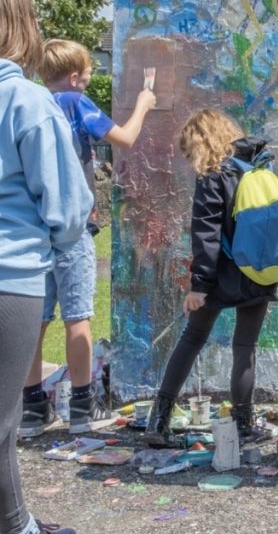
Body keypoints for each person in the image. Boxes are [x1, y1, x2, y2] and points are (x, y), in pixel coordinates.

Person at [20, 39, 156, 438]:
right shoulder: (75, 103)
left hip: (35, 226)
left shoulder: (36, 103)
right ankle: (83, 405)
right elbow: (125, 138)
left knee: (38, 320)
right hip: (72, 228)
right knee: (78, 316)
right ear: (76, 78)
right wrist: (144, 103)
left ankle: (31, 409)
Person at [1, 0, 93, 534]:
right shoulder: (28, 101)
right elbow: (67, 207)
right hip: (10, 278)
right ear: (19, 25)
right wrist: (60, 243)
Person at [144, 109, 278, 448]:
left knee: (192, 338)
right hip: (257, 271)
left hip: (218, 274)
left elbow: (206, 233)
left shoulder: (212, 175)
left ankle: (159, 420)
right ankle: (244, 427)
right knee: (245, 347)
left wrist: (199, 286)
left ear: (200, 144)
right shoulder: (260, 166)